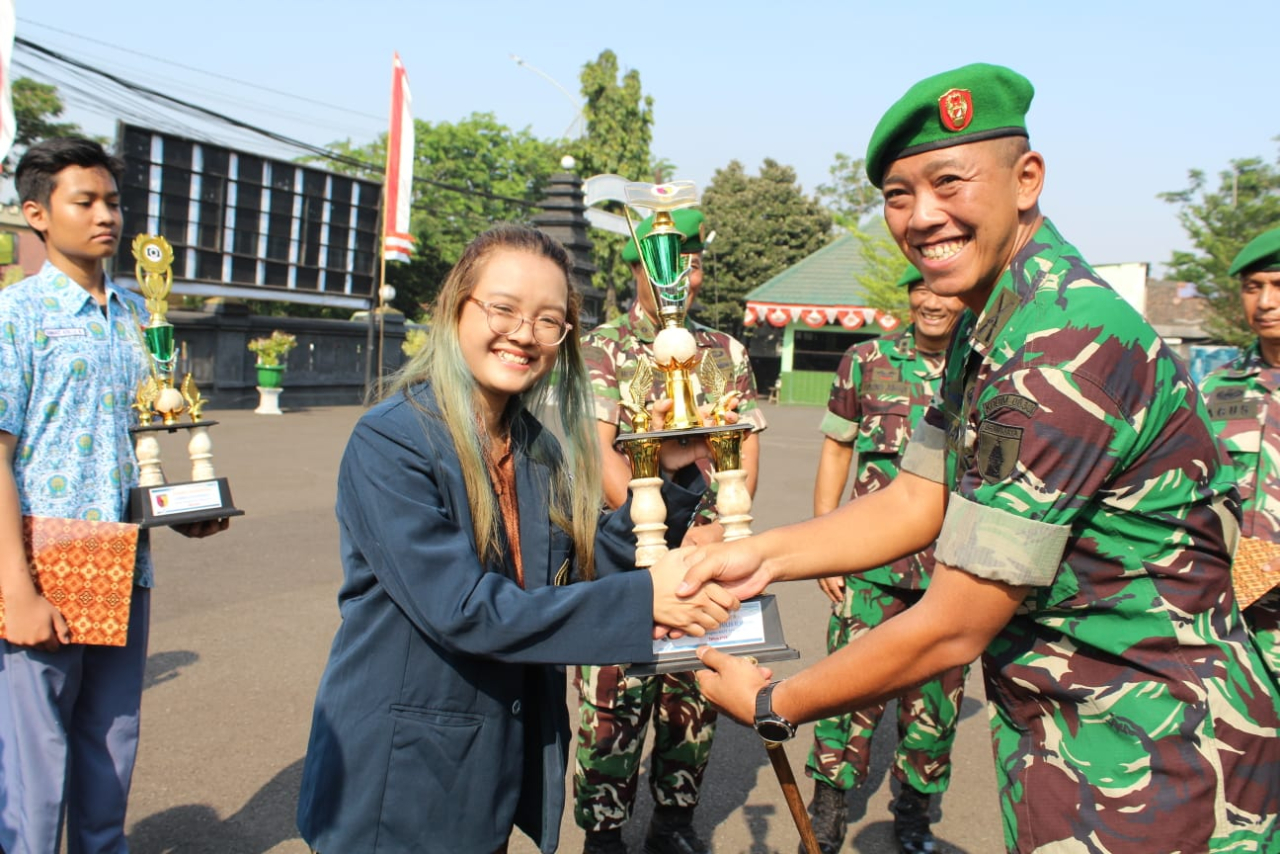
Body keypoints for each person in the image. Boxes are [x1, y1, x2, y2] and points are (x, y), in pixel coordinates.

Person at [666, 63, 1280, 853]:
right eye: (897, 194)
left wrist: (776, 701)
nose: (923, 217)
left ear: (1026, 180)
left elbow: (955, 623)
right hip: (1078, 738)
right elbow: (916, 498)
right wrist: (755, 558)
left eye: (949, 182)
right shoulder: (995, 324)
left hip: (1158, 762)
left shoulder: (1060, 345)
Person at [295, 224, 740, 854]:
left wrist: (665, 474)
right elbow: (464, 610)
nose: (524, 334)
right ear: (456, 310)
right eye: (503, 309)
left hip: (493, 759)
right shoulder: (391, 441)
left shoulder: (537, 447)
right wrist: (646, 602)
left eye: (549, 321)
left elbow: (572, 577)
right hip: (401, 772)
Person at [0, 137, 228, 854]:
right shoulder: (18, 316)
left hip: (122, 557)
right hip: (43, 557)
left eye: (113, 201)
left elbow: (155, 428)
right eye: (85, 201)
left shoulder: (138, 314)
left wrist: (180, 507)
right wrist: (17, 589)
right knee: (32, 763)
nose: (106, 216)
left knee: (111, 740)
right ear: (36, 214)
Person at [574, 209, 765, 854]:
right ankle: (602, 832)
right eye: (662, 262)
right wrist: (653, 538)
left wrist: (708, 535)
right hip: (621, 557)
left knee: (692, 701)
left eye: (689, 261)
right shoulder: (600, 349)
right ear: (636, 268)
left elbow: (743, 454)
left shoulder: (727, 353)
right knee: (612, 700)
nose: (678, 275)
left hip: (705, 559)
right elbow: (599, 459)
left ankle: (674, 825)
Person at [804, 264, 966, 854]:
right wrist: (825, 544)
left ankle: (914, 816)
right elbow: (836, 449)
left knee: (936, 703)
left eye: (943, 289)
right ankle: (827, 809)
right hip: (871, 565)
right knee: (845, 690)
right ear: (909, 296)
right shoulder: (865, 359)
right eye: (920, 288)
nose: (931, 299)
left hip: (955, 573)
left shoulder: (985, 365)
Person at [1200, 226, 1280, 679]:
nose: (1265, 302)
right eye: (1253, 288)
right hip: (1232, 624)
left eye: (1278, 286)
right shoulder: (1216, 389)